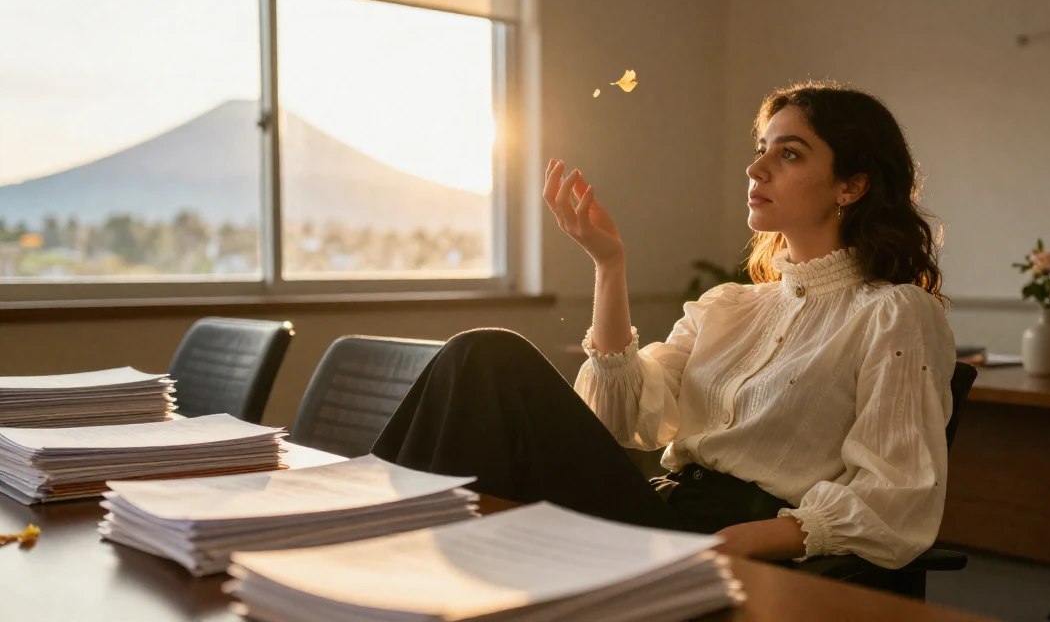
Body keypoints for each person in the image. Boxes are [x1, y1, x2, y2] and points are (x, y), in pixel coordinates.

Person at [371, 80, 956, 570]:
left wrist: (752, 540)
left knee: (489, 355)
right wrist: (609, 265)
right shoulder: (728, 306)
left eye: (790, 154)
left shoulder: (895, 312)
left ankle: (374, 553)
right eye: (761, 149)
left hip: (733, 536)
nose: (755, 168)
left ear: (852, 185)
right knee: (477, 358)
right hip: (658, 511)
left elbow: (897, 491)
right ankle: (374, 546)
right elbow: (619, 419)